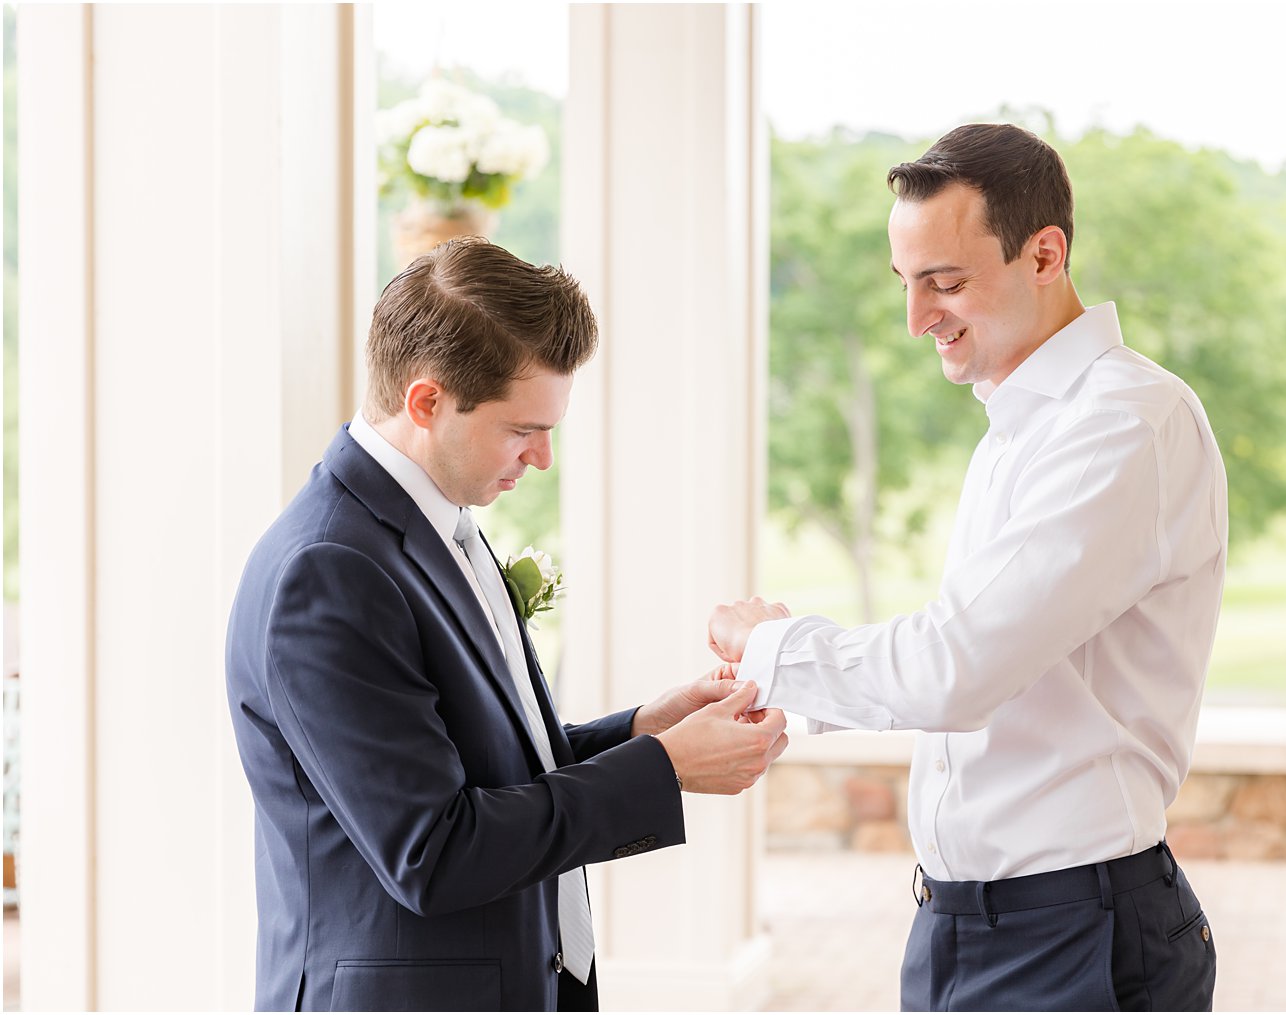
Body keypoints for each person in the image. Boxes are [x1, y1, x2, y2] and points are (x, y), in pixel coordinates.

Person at [709, 124, 1227, 1011]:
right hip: (964, 927)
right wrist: (787, 682)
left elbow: (958, 667)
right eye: (907, 284)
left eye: (945, 283)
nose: (918, 319)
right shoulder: (1021, 423)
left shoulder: (1124, 425)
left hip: (1076, 936)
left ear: (1045, 254)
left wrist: (774, 647)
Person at [226, 237, 788, 1012]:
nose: (544, 458)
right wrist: (663, 767)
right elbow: (433, 850)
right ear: (427, 402)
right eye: (523, 429)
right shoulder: (327, 570)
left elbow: (483, 769)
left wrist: (641, 730)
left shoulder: (438, 516)